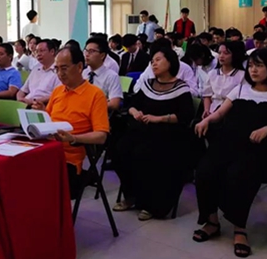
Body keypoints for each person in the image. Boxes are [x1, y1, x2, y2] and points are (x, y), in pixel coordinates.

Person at [194, 49, 267, 258]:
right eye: (251, 65)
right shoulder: (240, 89)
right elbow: (220, 113)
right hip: (227, 144)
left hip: (256, 150)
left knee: (238, 175)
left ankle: (239, 228)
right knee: (205, 171)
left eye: (259, 66)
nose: (253, 70)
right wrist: (206, 120)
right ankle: (212, 221)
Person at [112, 47, 195, 219]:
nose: (154, 64)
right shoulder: (148, 84)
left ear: (170, 62)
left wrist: (159, 118)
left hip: (168, 133)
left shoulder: (181, 88)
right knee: (120, 150)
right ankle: (131, 196)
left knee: (146, 154)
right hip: (144, 129)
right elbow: (133, 104)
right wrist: (135, 112)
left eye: (158, 60)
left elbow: (185, 116)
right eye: (152, 61)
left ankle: (151, 203)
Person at [31, 47, 109, 199]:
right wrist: (42, 112)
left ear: (79, 67)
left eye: (64, 68)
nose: (60, 74)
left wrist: (73, 138)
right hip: (47, 149)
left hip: (68, 159)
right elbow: (50, 121)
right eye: (57, 69)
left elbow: (101, 136)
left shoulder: (95, 95)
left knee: (36, 185)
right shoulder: (58, 91)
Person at [134, 38, 199, 96]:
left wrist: (172, 92)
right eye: (153, 60)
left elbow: (194, 92)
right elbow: (137, 87)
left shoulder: (184, 68)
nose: (154, 63)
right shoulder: (152, 67)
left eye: (158, 59)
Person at [202, 41, 246, 118]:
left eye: (226, 53)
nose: (221, 56)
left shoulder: (242, 75)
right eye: (219, 53)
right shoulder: (212, 73)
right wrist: (206, 110)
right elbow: (207, 95)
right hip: (213, 110)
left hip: (232, 112)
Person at [83, 37, 123, 111]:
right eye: (86, 51)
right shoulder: (83, 74)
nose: (87, 55)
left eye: (91, 51)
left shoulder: (111, 76)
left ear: (102, 55)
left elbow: (114, 103)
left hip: (99, 113)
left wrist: (93, 106)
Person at [17, 39, 61, 106]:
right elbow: (22, 90)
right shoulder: (36, 69)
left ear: (52, 52)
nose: (38, 54)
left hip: (43, 105)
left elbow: (57, 95)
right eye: (36, 51)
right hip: (26, 104)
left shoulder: (59, 71)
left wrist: (33, 101)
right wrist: (20, 99)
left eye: (41, 51)